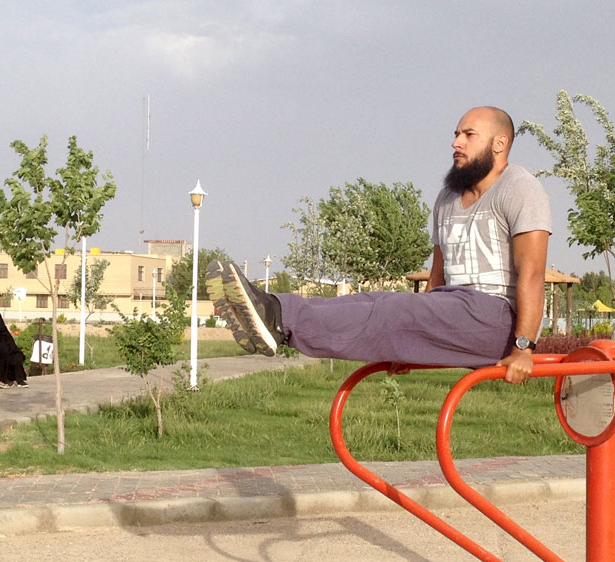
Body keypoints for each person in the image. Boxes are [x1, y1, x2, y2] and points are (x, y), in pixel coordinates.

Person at [207, 106, 551, 385]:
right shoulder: (447, 198)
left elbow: (533, 275)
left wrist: (524, 347)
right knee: (376, 300)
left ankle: (280, 320)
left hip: (496, 319)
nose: (456, 142)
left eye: (468, 135)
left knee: (393, 311)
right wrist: (413, 346)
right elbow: (437, 278)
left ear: (499, 143)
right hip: (453, 309)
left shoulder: (519, 188)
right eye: (456, 133)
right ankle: (274, 310)